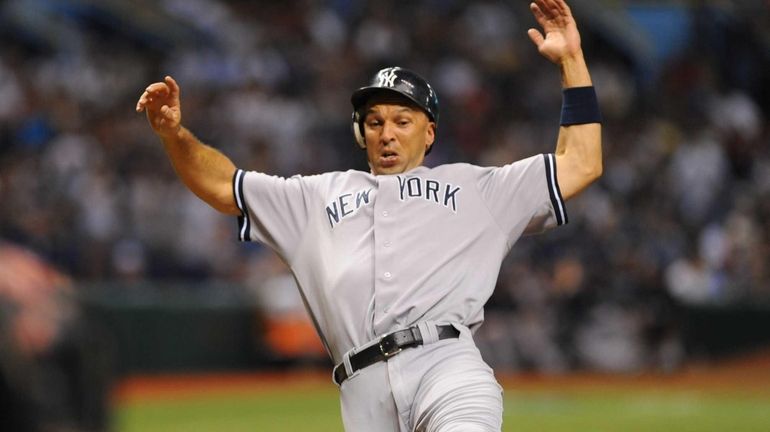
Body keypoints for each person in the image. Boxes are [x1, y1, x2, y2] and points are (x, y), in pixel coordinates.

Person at [136, 0, 601, 430]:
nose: (387, 133)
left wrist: (571, 61)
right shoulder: (315, 197)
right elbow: (223, 185)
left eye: (403, 120)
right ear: (362, 133)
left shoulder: (477, 187)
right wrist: (175, 136)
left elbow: (581, 162)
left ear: (430, 132)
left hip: (446, 369)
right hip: (361, 393)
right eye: (375, 122)